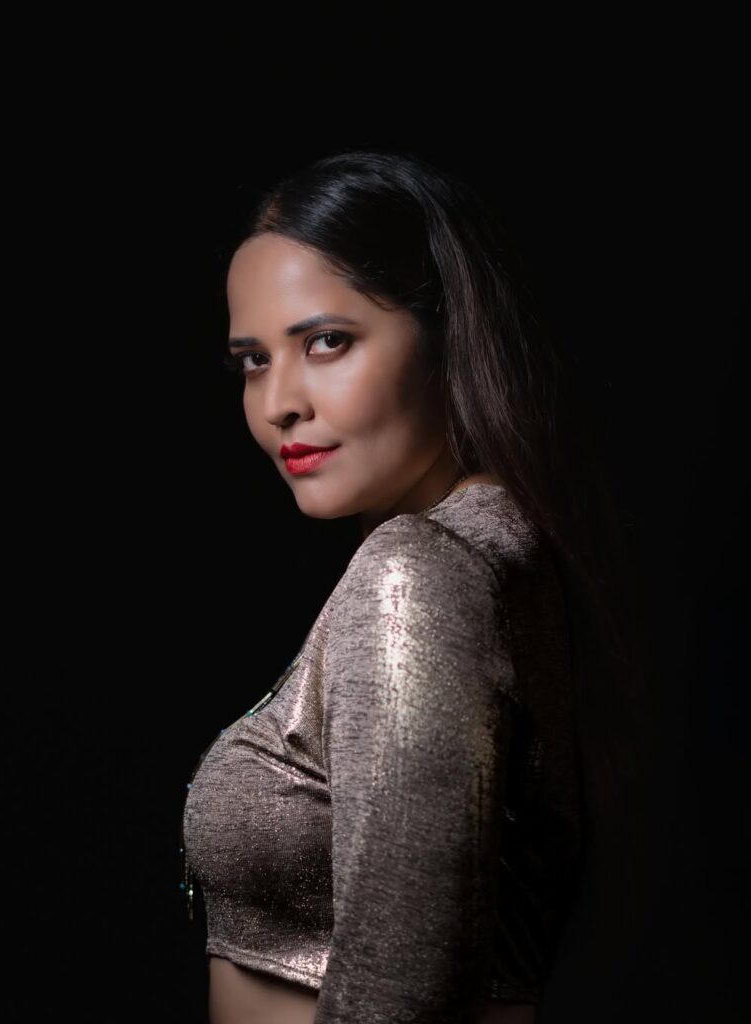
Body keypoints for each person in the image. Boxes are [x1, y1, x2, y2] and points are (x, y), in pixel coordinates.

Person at [181, 149, 644, 1023]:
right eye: (252, 360)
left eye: (327, 341)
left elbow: (403, 989)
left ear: (446, 337)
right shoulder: (508, 549)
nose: (279, 403)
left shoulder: (416, 574)